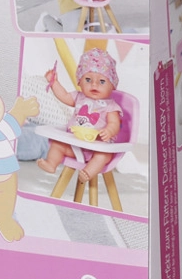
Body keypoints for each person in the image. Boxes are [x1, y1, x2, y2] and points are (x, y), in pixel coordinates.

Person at [36, 48, 123, 183]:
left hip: (96, 147)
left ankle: (87, 173)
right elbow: (64, 96)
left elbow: (114, 123)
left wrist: (109, 131)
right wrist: (54, 83)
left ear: (112, 85)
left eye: (101, 81)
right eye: (88, 79)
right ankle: (51, 164)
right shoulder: (79, 97)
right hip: (75, 145)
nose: (94, 84)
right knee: (57, 144)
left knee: (103, 156)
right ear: (80, 81)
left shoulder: (111, 106)